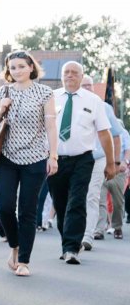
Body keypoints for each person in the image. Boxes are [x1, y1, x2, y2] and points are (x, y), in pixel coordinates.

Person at [0, 51, 58, 275]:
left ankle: (24, 261)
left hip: (35, 159)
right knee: (4, 207)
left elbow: (50, 127)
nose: (16, 71)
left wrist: (53, 156)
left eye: (20, 66)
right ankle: (14, 246)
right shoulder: (3, 91)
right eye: (12, 67)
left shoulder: (44, 92)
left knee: (27, 210)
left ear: (31, 67)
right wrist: (2, 108)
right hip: (6, 157)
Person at [45, 63, 113, 261]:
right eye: (66, 72)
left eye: (75, 73)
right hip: (55, 158)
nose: (70, 76)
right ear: (62, 76)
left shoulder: (93, 101)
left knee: (77, 201)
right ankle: (67, 241)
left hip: (82, 159)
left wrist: (110, 162)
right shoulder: (51, 97)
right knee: (60, 202)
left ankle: (71, 248)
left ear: (82, 76)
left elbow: (104, 133)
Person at [80, 75, 126, 241]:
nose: (86, 88)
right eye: (83, 85)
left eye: (89, 85)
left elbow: (116, 136)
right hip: (76, 159)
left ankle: (91, 234)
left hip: (100, 159)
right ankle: (89, 229)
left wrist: (115, 163)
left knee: (96, 196)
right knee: (85, 197)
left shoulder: (103, 107)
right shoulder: (69, 103)